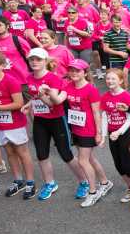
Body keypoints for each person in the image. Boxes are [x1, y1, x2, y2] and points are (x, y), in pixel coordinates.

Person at [23, 48, 88, 201]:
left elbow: (54, 104)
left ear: (45, 61)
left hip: (57, 119)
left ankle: (83, 182)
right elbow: (34, 97)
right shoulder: (29, 78)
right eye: (32, 59)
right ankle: (50, 183)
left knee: (66, 154)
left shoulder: (53, 79)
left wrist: (42, 96)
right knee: (41, 154)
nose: (34, 62)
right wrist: (30, 104)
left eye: (38, 59)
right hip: (40, 120)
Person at [0, 52, 35, 199]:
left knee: (22, 152)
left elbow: (18, 104)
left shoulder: (11, 81)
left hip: (15, 124)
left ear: (3, 66)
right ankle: (18, 180)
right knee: (9, 153)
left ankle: (30, 182)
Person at [65, 59, 112, 208]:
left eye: (77, 70)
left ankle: (92, 192)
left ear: (85, 73)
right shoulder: (68, 86)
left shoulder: (90, 89)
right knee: (90, 158)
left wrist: (99, 133)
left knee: (82, 160)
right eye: (71, 70)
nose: (73, 73)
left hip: (88, 130)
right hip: (76, 128)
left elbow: (96, 113)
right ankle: (105, 182)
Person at [100, 68, 130, 210]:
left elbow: (129, 118)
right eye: (108, 78)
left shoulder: (126, 96)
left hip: (124, 133)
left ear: (121, 81)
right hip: (112, 134)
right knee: (118, 165)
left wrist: (119, 131)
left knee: (126, 164)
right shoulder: (104, 97)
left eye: (113, 79)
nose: (110, 81)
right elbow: (105, 117)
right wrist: (104, 136)